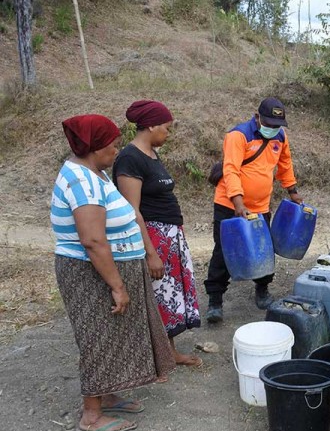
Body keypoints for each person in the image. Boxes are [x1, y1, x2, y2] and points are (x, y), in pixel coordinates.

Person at [51, 115, 175, 431]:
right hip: (90, 273)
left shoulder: (96, 173)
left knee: (113, 334)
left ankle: (106, 397)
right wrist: (117, 286)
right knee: (98, 336)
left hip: (110, 268)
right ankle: (91, 414)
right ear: (95, 146)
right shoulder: (82, 181)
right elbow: (92, 240)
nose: (117, 150)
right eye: (113, 144)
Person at [113, 100, 202, 368]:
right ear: (150, 126)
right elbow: (133, 211)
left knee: (166, 296)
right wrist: (150, 252)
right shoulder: (130, 158)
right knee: (156, 296)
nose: (168, 132)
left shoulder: (151, 153)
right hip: (153, 238)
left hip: (170, 236)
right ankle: (156, 357)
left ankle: (169, 352)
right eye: (166, 127)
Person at [204, 97, 303, 322]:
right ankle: (215, 300)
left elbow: (285, 166)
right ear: (257, 117)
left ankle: (262, 290)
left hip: (260, 207)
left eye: (276, 125)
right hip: (229, 205)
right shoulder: (238, 136)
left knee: (263, 249)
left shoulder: (280, 136)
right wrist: (238, 203)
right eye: (268, 124)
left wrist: (293, 191)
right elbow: (230, 170)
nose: (272, 129)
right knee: (223, 250)